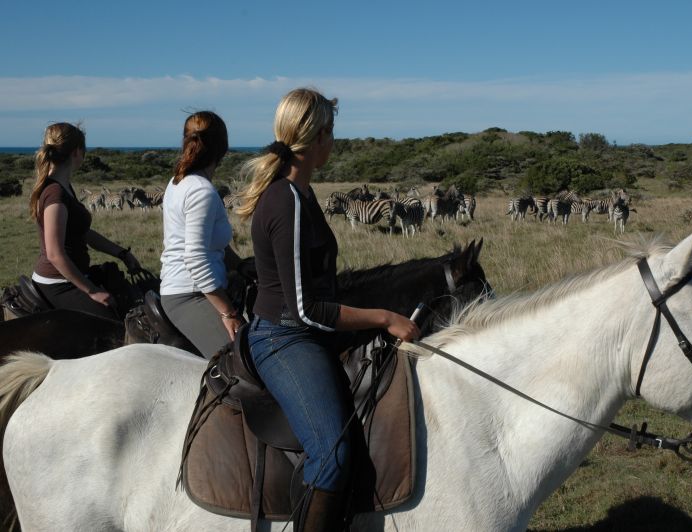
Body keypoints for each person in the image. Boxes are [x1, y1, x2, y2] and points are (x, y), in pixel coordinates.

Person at [236, 88, 420, 531]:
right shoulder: (288, 200)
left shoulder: (301, 193)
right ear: (318, 136)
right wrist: (383, 316)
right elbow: (306, 308)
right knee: (331, 452)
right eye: (331, 132)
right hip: (284, 337)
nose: (333, 141)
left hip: (301, 330)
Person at [30, 122, 141, 320]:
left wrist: (121, 253)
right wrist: (92, 291)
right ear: (76, 152)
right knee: (114, 323)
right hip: (58, 283)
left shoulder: (64, 187)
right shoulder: (55, 193)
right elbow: (55, 254)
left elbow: (83, 232)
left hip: (70, 278)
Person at [159, 111, 244, 359]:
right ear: (223, 148)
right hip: (191, 293)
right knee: (240, 362)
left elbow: (209, 246)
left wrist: (241, 266)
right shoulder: (201, 191)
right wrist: (228, 313)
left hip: (189, 288)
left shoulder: (179, 181)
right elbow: (195, 259)